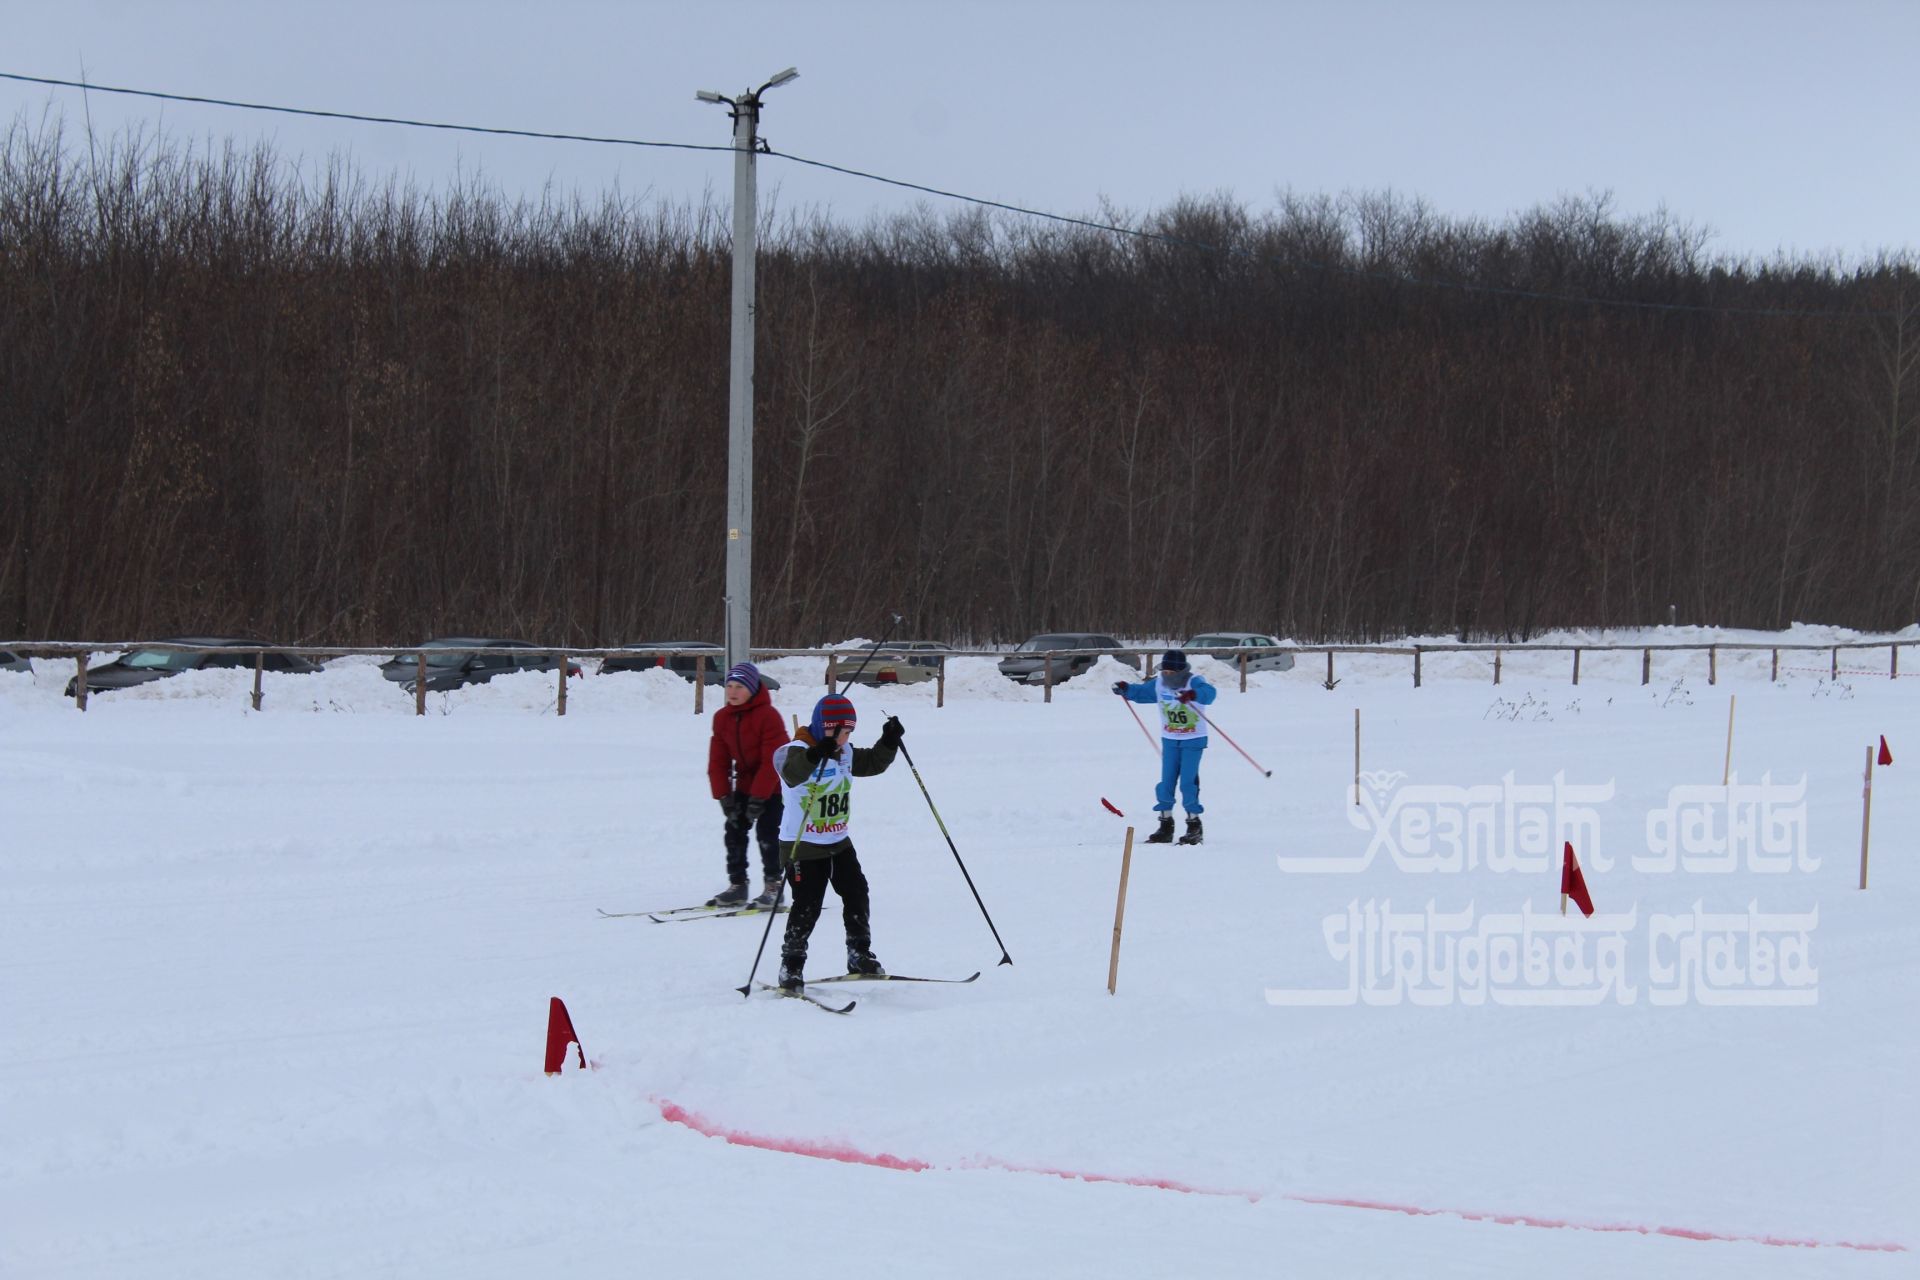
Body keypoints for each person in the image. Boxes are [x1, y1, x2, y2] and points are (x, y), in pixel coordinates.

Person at [771, 692, 905, 991]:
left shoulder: (844, 752)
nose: (846, 738)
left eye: (850, 732)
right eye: (842, 732)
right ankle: (791, 965)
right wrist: (816, 753)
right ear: (824, 727)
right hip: (802, 845)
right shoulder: (792, 751)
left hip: (838, 841)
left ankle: (859, 953)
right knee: (808, 904)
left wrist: (889, 741)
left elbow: (872, 763)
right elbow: (792, 774)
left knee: (857, 891)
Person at [706, 662, 790, 907]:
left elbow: (773, 760)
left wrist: (759, 797)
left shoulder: (769, 716)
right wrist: (724, 796)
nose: (732, 692)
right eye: (729, 686)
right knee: (733, 832)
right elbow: (718, 761)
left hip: (770, 787)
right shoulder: (722, 718)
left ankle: (774, 886)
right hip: (742, 786)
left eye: (739, 686)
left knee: (767, 835)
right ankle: (738, 885)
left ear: (752, 689)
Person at [1113, 649, 1216, 845]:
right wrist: (1126, 689)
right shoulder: (1159, 683)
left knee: (1188, 783)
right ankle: (1165, 825)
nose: (1167, 675)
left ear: (1181, 671)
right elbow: (1141, 692)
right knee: (1166, 783)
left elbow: (1210, 694)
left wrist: (1193, 694)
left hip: (1193, 739)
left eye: (1171, 672)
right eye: (1165, 671)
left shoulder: (1193, 681)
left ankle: (1194, 825)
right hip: (1170, 739)